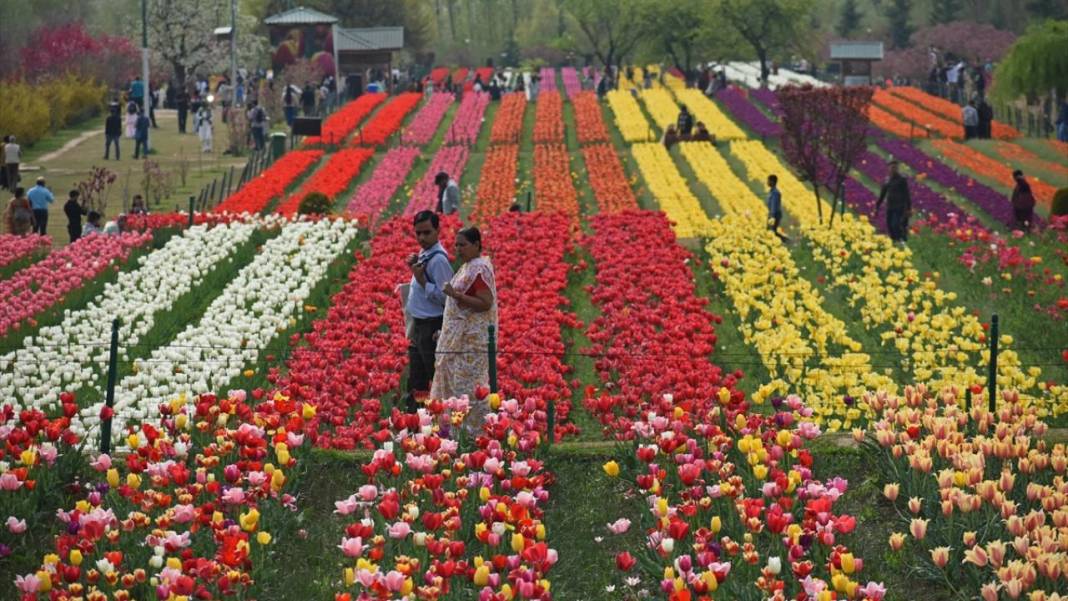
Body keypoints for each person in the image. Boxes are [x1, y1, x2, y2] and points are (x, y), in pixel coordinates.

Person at [430, 227, 497, 431]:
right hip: (459, 340)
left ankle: (477, 434)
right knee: (457, 390)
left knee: (469, 390)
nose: (458, 249)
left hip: (470, 343)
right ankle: (455, 434)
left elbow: (485, 302)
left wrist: (456, 295)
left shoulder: (478, 269)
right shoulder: (468, 266)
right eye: (456, 245)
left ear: (477, 244)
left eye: (463, 244)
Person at [404, 211, 455, 412]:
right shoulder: (425, 254)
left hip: (432, 326)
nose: (422, 238)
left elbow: (448, 298)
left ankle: (433, 420)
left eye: (427, 232)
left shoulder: (439, 261)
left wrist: (423, 280)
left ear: (437, 231)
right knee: (417, 378)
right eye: (418, 233)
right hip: (419, 325)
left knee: (432, 378)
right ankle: (415, 421)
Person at [875, 161, 912, 244]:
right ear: (889, 169)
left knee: (895, 224)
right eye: (891, 168)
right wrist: (877, 205)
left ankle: (901, 239)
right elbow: (883, 194)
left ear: (897, 169)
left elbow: (907, 194)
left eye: (895, 168)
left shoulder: (902, 180)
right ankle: (894, 240)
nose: (893, 169)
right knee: (889, 225)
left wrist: (909, 208)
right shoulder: (887, 180)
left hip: (899, 206)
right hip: (890, 206)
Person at [766, 174, 787, 242]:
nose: (767, 182)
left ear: (772, 181)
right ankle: (785, 241)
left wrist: (772, 216)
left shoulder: (775, 193)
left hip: (774, 214)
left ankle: (786, 241)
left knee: (772, 231)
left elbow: (773, 205)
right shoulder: (772, 191)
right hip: (773, 214)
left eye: (768, 180)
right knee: (772, 231)